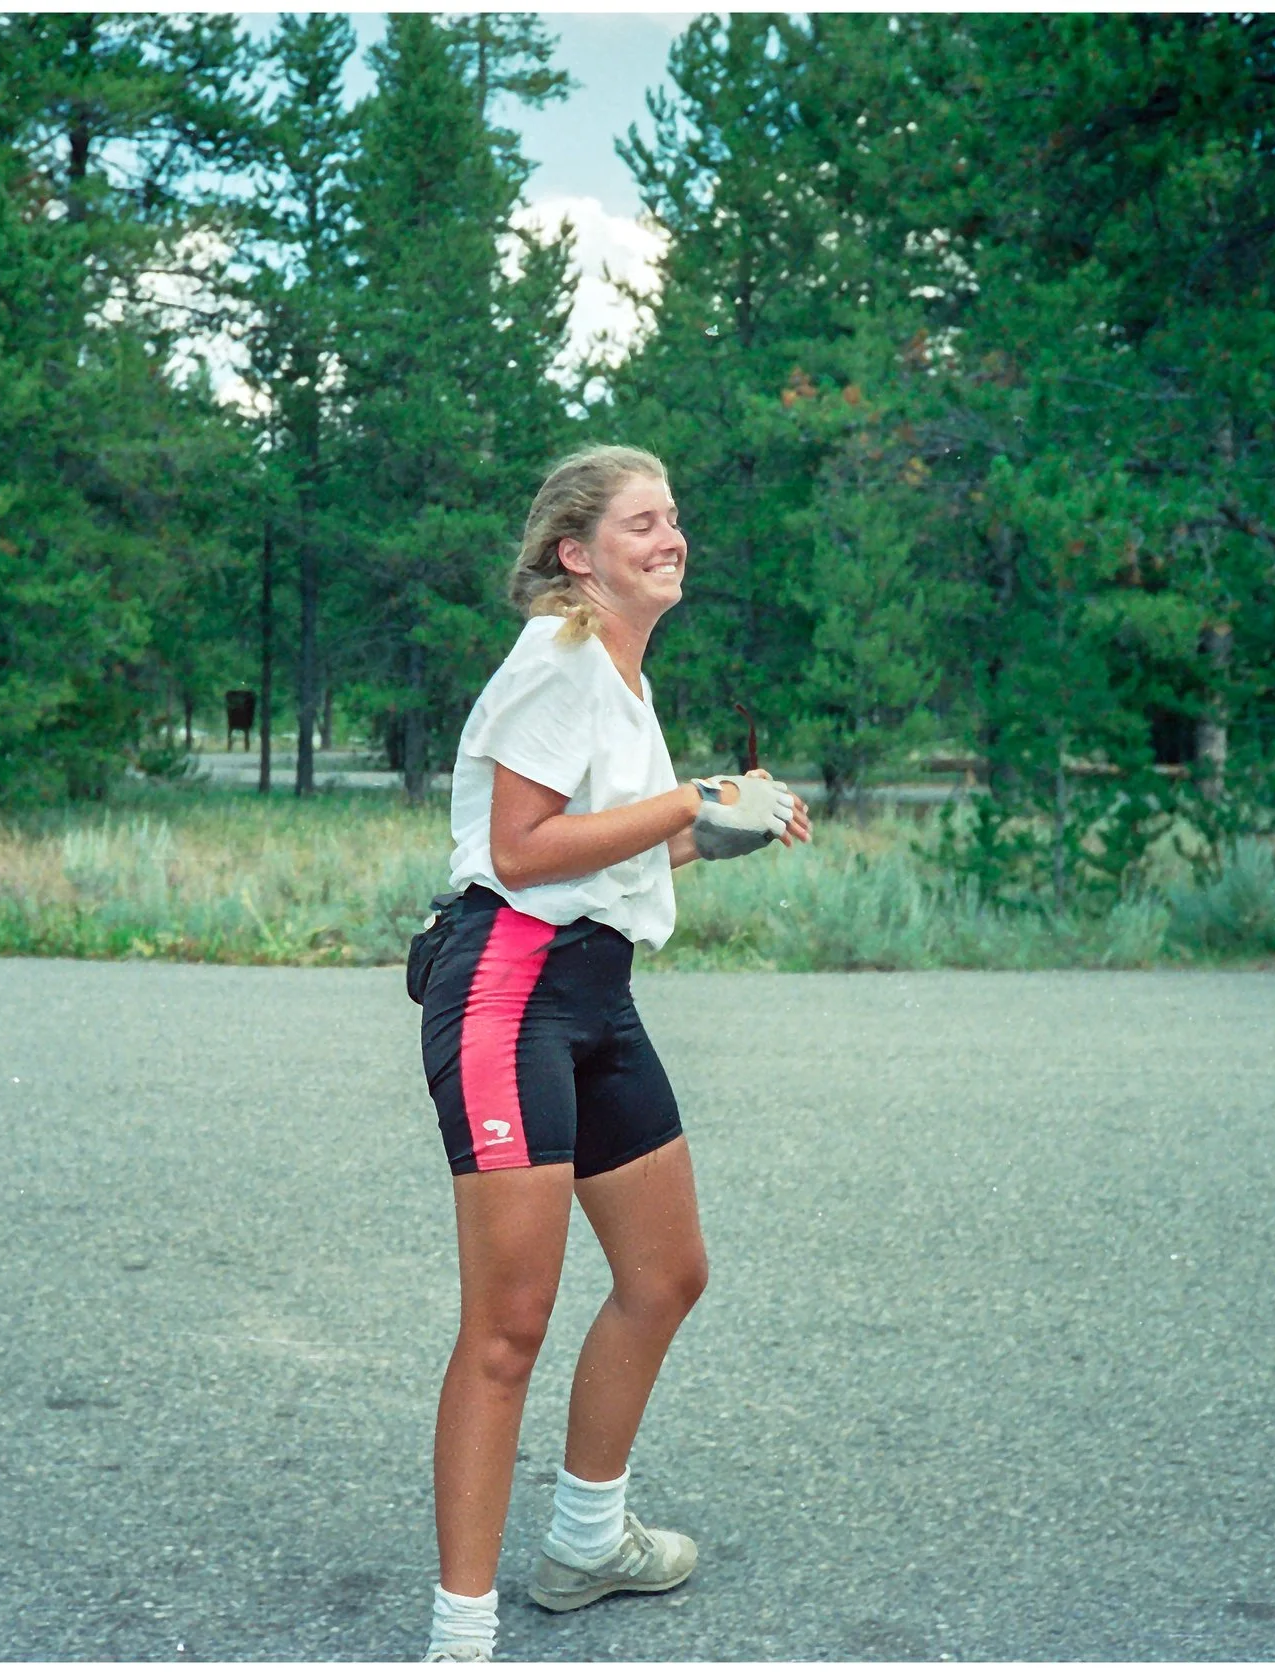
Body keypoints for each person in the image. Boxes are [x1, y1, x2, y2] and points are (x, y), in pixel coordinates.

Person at [413, 444, 811, 1662]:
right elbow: (523, 850)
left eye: (676, 517)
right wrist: (693, 799)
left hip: (593, 987)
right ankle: (460, 1635)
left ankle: (588, 1538)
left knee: (666, 1271)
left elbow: (608, 855)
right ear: (577, 554)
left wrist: (710, 835)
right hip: (506, 985)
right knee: (508, 1325)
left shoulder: (622, 680)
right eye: (643, 521)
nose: (671, 536)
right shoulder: (559, 657)